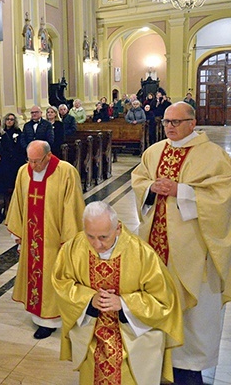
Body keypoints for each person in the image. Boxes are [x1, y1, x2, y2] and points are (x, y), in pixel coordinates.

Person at [131, 102, 231, 384]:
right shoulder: (154, 151)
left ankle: (188, 367)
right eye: (166, 122)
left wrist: (182, 191)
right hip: (155, 245)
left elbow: (223, 195)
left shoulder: (213, 155)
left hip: (192, 250)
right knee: (156, 300)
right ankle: (158, 359)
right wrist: (150, 188)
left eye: (176, 121)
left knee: (193, 313)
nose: (170, 127)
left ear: (192, 122)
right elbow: (138, 178)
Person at [52, 201, 183, 384]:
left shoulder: (142, 254)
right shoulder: (74, 248)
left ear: (118, 228)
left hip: (131, 338)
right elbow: (61, 283)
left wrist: (124, 304)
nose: (97, 244)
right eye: (90, 236)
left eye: (104, 237)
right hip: (92, 331)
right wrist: (89, 299)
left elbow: (163, 301)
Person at [6, 140, 85, 339]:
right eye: (30, 160)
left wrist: (68, 238)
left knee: (52, 276)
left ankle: (52, 320)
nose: (33, 166)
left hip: (53, 238)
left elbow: (72, 205)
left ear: (48, 156)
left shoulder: (66, 172)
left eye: (37, 161)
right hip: (32, 235)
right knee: (35, 276)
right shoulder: (23, 172)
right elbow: (18, 201)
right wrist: (19, 232)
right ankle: (38, 316)